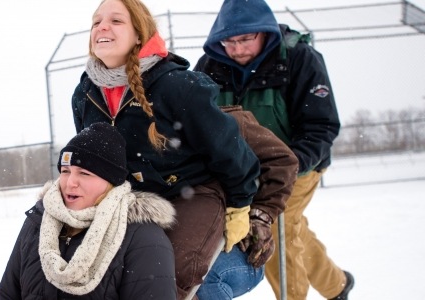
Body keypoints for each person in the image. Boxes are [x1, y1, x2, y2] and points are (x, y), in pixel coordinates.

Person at [71, 0, 261, 298]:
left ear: (139, 34)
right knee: (100, 274)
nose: (102, 27)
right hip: (129, 198)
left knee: (167, 276)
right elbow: (94, 160)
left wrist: (240, 204)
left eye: (116, 21)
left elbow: (230, 150)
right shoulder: (85, 93)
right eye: (96, 22)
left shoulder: (177, 85)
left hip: (192, 191)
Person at [193, 0, 350, 299]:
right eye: (229, 41)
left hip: (299, 164)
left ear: (264, 32)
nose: (237, 49)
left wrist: (287, 166)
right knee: (294, 229)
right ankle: (337, 285)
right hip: (244, 171)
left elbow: (321, 126)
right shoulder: (210, 67)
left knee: (277, 230)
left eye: (245, 40)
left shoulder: (298, 58)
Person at [0, 123, 177, 299]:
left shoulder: (143, 238)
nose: (70, 183)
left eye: (84, 173)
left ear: (110, 181)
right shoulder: (37, 222)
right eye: (65, 171)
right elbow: (8, 293)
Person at [196, 105, 299, 299]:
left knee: (200, 278)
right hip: (185, 243)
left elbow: (283, 161)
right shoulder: (143, 128)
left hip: (231, 244)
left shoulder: (229, 124)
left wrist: (261, 215)